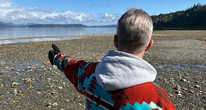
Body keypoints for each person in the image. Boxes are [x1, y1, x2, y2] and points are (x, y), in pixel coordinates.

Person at [48, 8, 176, 110]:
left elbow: (74, 68)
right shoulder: (157, 99)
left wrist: (58, 58)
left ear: (115, 41)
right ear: (149, 45)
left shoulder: (91, 74)